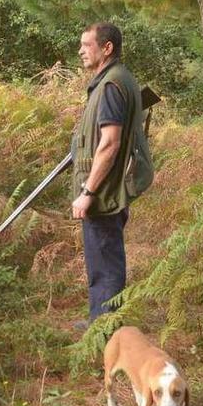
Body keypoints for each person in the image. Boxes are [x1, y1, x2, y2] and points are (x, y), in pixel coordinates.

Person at [70, 22, 144, 330]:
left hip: (102, 192)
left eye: (87, 45)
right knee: (102, 258)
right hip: (106, 188)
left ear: (107, 47)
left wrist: (88, 192)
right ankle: (100, 322)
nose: (81, 51)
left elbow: (110, 143)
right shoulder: (113, 81)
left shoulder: (112, 85)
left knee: (105, 260)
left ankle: (105, 330)